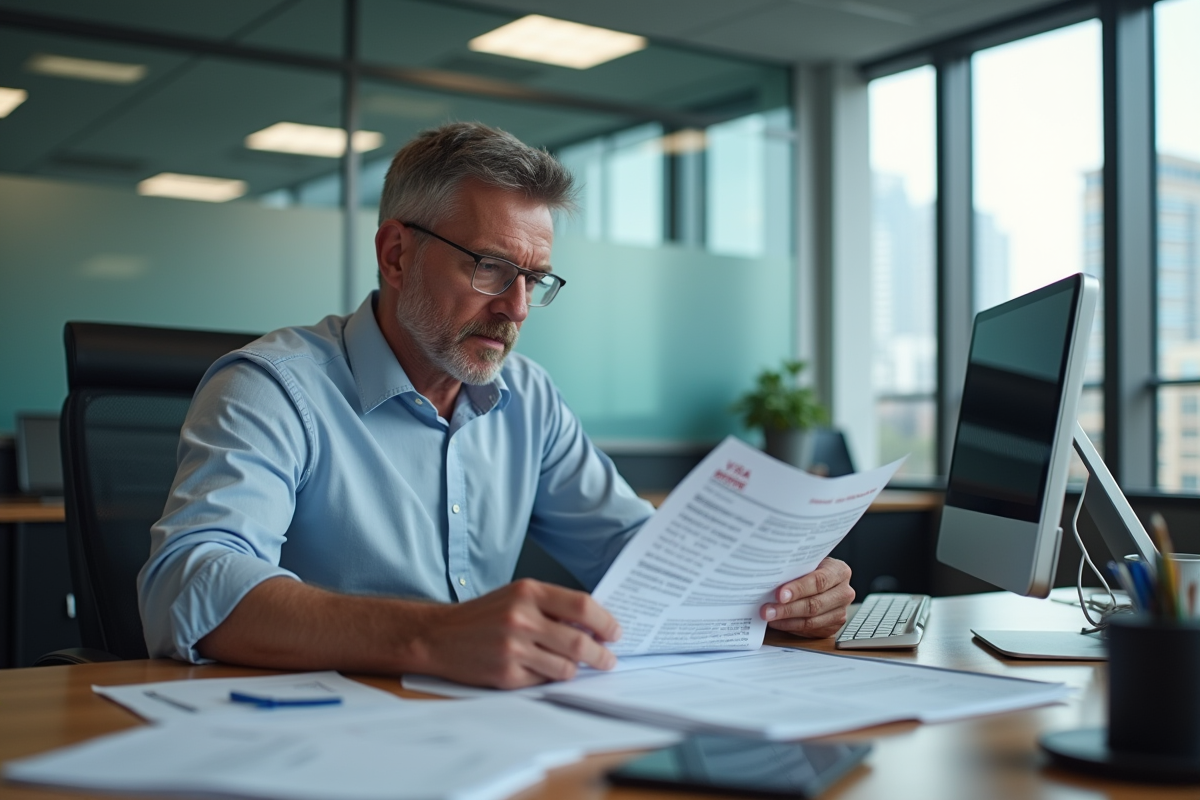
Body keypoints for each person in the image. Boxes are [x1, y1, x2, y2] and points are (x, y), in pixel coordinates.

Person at [138, 122, 854, 689]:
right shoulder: (273, 387)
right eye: (489, 267)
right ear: (396, 255)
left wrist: (780, 592)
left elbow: (642, 558)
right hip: (314, 735)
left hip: (494, 730)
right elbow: (187, 583)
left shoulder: (529, 399)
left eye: (534, 279)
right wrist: (430, 636)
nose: (515, 308)